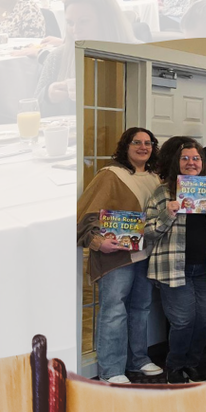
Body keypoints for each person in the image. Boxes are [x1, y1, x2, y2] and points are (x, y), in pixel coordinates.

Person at [145, 136, 206, 384]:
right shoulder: (163, 193)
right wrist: (168, 213)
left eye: (196, 158)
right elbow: (148, 232)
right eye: (185, 158)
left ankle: (192, 363)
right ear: (177, 162)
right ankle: (174, 365)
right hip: (174, 268)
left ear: (203, 163)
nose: (191, 162)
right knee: (183, 321)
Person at [76, 127, 163, 383]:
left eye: (148, 142)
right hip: (117, 256)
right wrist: (97, 242)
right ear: (125, 145)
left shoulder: (156, 177)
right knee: (114, 311)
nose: (143, 147)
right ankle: (111, 370)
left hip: (146, 254)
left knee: (141, 309)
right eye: (136, 142)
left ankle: (138, 359)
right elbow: (84, 215)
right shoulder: (109, 175)